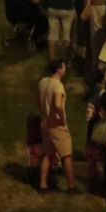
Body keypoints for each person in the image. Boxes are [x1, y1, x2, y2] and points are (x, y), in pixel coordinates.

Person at [37, 58, 77, 193]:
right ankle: (71, 186)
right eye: (64, 67)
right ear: (59, 69)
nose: (65, 70)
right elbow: (58, 104)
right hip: (56, 126)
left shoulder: (42, 82)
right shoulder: (58, 85)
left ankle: (42, 185)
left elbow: (37, 101)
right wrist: (62, 117)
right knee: (67, 155)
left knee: (47, 155)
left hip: (45, 124)